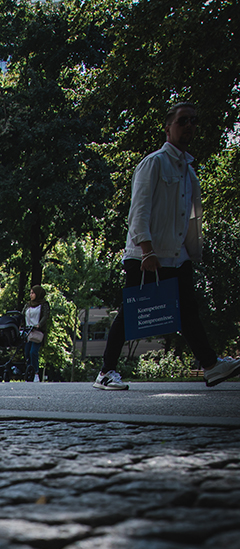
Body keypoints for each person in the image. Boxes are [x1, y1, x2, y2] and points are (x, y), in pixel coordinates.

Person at [95, 102, 240, 390]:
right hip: (147, 255)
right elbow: (139, 211)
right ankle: (106, 372)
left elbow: (188, 217)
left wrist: (191, 252)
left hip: (177, 256)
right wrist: (147, 250)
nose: (189, 126)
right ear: (167, 128)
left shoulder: (188, 171)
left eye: (193, 121)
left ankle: (210, 365)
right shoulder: (154, 163)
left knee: (188, 311)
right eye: (182, 121)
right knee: (131, 312)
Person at [24, 285, 50, 383]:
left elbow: (45, 316)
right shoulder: (28, 304)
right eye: (30, 293)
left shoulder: (43, 305)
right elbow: (23, 314)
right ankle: (29, 372)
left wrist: (39, 324)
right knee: (27, 352)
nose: (31, 295)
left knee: (33, 352)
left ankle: (35, 373)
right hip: (28, 331)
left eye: (33, 293)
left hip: (37, 332)